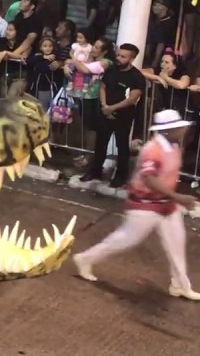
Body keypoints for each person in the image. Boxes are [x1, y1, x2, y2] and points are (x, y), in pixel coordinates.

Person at [73, 109, 200, 301]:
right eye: (177, 127)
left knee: (176, 243)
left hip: (166, 205)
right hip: (145, 205)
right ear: (166, 131)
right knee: (125, 239)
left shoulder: (173, 147)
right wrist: (178, 197)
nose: (182, 130)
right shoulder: (153, 149)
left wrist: (175, 198)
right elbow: (149, 179)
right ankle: (85, 258)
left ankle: (181, 285)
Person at [79, 43, 146, 188]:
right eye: (118, 55)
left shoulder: (137, 77)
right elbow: (103, 87)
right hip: (105, 113)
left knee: (122, 146)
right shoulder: (112, 70)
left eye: (123, 56)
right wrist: (104, 106)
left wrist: (112, 108)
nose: (119, 58)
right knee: (100, 144)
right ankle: (95, 171)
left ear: (132, 59)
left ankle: (121, 176)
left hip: (123, 116)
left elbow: (133, 98)